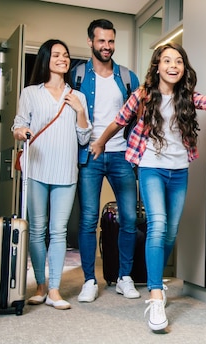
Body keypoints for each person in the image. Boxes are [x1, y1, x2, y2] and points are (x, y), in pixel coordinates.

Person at [93, 42, 206, 331]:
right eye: (167, 60)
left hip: (179, 170)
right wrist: (99, 142)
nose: (173, 65)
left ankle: (154, 273)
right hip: (150, 167)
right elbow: (119, 121)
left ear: (183, 68)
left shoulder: (186, 97)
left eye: (179, 61)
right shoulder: (143, 95)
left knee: (169, 232)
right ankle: (156, 295)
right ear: (157, 66)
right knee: (158, 224)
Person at [12, 39, 92, 310]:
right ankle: (40, 286)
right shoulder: (30, 93)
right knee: (37, 230)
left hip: (66, 172)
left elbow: (84, 138)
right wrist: (21, 132)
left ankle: (55, 290)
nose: (63, 59)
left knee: (58, 231)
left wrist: (79, 111)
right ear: (46, 59)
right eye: (56, 55)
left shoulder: (77, 96)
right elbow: (18, 124)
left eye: (66, 55)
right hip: (36, 168)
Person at [72, 18, 141, 303]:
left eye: (111, 41)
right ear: (90, 41)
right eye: (101, 41)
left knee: (129, 217)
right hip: (89, 153)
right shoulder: (76, 75)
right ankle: (89, 280)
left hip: (120, 154)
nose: (107, 47)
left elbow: (139, 118)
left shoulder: (127, 77)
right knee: (88, 219)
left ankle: (124, 277)